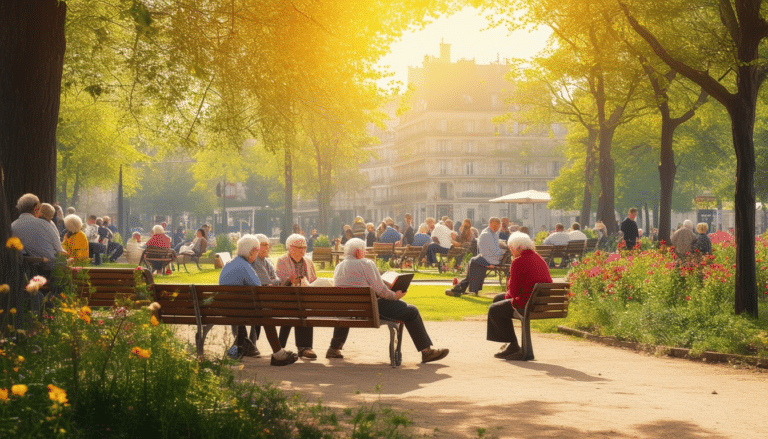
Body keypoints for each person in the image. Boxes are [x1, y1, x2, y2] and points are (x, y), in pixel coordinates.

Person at [325, 238, 449, 363]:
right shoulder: (366, 264)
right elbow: (381, 291)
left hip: (348, 311)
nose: (365, 254)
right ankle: (426, 352)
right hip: (370, 310)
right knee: (411, 311)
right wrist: (395, 295)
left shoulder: (339, 267)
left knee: (349, 305)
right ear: (358, 252)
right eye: (364, 251)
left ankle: (334, 348)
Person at [219, 234, 298, 366]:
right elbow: (260, 290)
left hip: (229, 309)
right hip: (242, 310)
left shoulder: (229, 264)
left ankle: (236, 351)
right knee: (266, 315)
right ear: (252, 252)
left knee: (260, 315)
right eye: (256, 252)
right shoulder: (246, 267)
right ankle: (278, 354)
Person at [487, 233, 552, 360]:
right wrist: (506, 297)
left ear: (517, 247)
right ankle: (512, 344)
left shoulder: (518, 261)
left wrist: (508, 296)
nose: (510, 250)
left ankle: (513, 345)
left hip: (527, 304)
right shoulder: (538, 258)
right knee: (498, 300)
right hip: (540, 302)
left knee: (494, 309)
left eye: (510, 247)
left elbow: (514, 293)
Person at [275, 233, 318, 359]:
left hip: (304, 298)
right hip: (287, 298)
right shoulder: (282, 260)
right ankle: (302, 347)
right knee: (297, 310)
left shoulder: (308, 261)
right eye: (300, 247)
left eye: (304, 247)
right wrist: (289, 280)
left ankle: (303, 348)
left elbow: (314, 280)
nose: (303, 250)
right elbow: (279, 281)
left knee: (302, 309)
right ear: (290, 248)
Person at [447, 217, 507, 296]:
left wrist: (500, 253)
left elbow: (493, 250)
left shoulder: (492, 233)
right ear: (489, 224)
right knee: (474, 262)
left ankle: (463, 288)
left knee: (474, 262)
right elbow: (490, 250)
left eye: (497, 226)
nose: (496, 228)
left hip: (491, 258)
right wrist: (503, 252)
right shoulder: (488, 234)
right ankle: (464, 288)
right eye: (494, 226)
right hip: (490, 258)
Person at [11, 194, 64, 273]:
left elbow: (20, 253)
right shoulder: (45, 223)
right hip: (52, 270)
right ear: (36, 207)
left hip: (27, 272)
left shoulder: (13, 226)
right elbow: (59, 248)